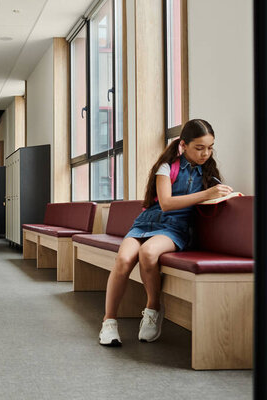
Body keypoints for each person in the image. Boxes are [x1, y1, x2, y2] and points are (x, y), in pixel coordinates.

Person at [99, 119, 233, 346]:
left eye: (210, 148)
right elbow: (166, 203)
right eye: (199, 148)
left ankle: (153, 309)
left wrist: (221, 193)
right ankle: (109, 322)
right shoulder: (166, 166)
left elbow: (207, 202)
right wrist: (206, 194)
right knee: (122, 259)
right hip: (146, 223)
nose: (205, 154)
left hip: (175, 229)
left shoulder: (208, 173)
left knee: (149, 253)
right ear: (183, 145)